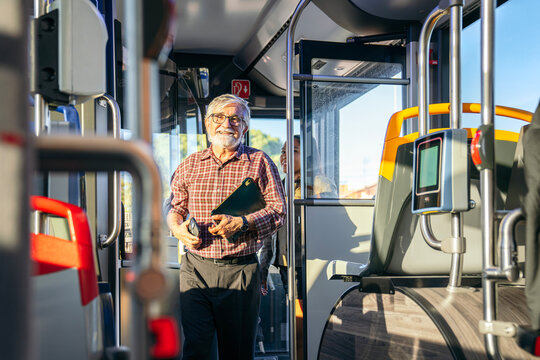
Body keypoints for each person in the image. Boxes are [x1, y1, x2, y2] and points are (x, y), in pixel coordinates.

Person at [167, 94, 286, 360]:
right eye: (218, 117)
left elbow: (279, 212)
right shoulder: (189, 164)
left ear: (245, 127)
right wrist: (176, 227)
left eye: (235, 118)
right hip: (195, 269)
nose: (226, 124)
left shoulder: (261, 162)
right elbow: (175, 208)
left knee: (238, 350)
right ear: (207, 124)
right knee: (196, 347)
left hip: (240, 270)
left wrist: (242, 222)